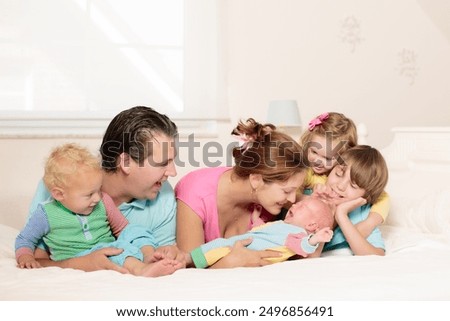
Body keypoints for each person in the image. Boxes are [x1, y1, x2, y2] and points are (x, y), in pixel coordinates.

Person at [28, 106, 184, 273]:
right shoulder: (62, 187)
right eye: (162, 163)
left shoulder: (163, 195)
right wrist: (81, 263)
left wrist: (168, 254)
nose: (173, 172)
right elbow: (35, 261)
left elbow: (158, 259)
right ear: (125, 162)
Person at [175, 118, 307, 268]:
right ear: (256, 179)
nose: (292, 198)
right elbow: (188, 268)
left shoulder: (270, 197)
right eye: (287, 191)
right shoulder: (196, 191)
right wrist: (230, 263)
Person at [299, 112, 390, 241]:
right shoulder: (304, 171)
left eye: (328, 158)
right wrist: (311, 199)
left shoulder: (341, 176)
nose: (318, 161)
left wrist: (371, 222)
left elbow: (383, 197)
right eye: (314, 151)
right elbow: (289, 196)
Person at [187, 197, 334, 268]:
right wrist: (256, 220)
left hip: (250, 251)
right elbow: (266, 233)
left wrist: (315, 239)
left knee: (219, 247)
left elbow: (303, 246)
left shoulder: (297, 234)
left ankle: (189, 261)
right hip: (247, 245)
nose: (294, 204)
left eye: (302, 206)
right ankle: (191, 261)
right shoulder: (284, 226)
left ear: (311, 224)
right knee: (219, 246)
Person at [310, 145, 389, 256]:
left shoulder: (363, 216)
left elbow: (377, 256)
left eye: (353, 185)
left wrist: (341, 215)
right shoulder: (312, 194)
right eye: (339, 174)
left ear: (365, 196)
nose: (340, 186)